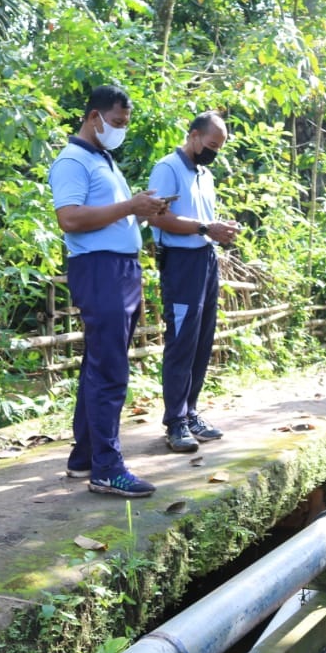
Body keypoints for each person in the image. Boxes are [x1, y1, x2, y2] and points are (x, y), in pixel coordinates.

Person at [48, 84, 170, 498]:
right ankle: (108, 467)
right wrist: (130, 207)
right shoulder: (72, 161)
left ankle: (85, 456)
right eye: (116, 122)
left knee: (99, 362)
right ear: (93, 117)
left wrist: (146, 208)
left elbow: (112, 215)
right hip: (99, 268)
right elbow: (70, 219)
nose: (121, 129)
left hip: (120, 268)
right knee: (110, 368)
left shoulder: (104, 159)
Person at [147, 111, 240, 453]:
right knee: (181, 340)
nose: (214, 152)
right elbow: (160, 216)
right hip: (181, 263)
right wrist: (204, 228)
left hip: (205, 259)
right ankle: (174, 422)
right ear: (194, 135)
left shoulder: (205, 174)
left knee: (202, 340)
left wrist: (217, 228)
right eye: (212, 145)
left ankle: (190, 412)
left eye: (220, 147)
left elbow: (202, 221)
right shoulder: (168, 168)